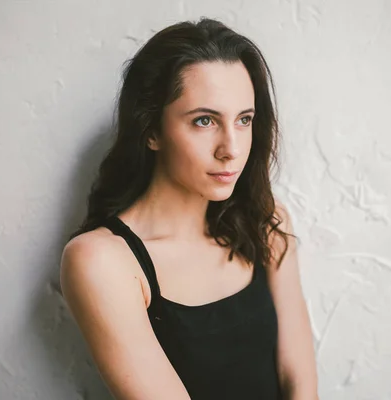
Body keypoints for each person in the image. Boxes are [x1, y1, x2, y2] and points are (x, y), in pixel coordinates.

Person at [59, 17, 318, 400]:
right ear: (151, 130)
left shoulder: (266, 222)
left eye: (244, 120)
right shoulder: (103, 261)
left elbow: (300, 382)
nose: (231, 147)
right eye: (204, 121)